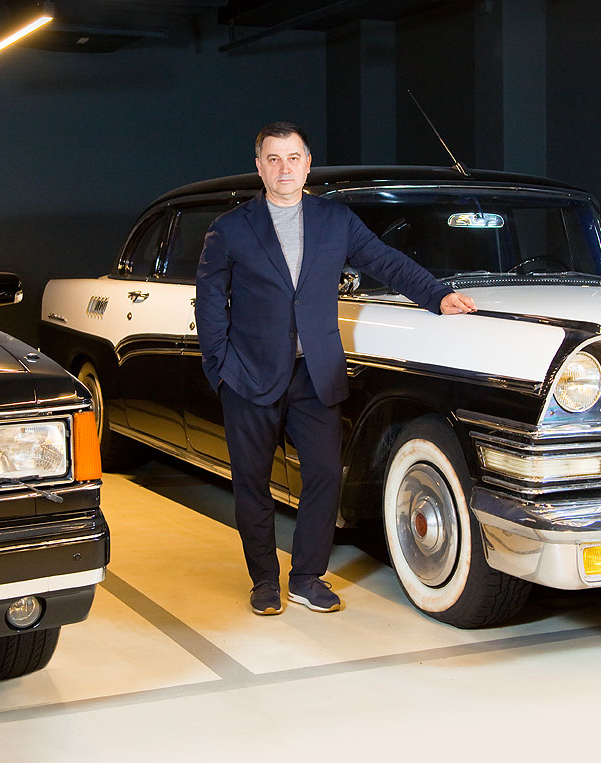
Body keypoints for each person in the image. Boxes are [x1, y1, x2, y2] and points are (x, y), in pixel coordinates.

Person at [195, 121, 477, 616]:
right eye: (273, 159)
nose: (284, 169)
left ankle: (306, 577)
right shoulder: (231, 228)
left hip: (316, 372)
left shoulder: (335, 220)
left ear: (308, 164)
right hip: (249, 376)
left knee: (325, 475)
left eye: (293, 158)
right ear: (259, 167)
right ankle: (264, 581)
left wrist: (437, 295)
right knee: (252, 484)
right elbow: (210, 300)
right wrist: (218, 367)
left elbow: (386, 261)